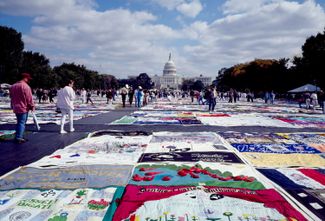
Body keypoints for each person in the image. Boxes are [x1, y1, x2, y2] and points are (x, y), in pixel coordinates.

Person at [10, 73, 35, 143]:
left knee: (19, 122)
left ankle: (18, 135)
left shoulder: (13, 86)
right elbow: (29, 98)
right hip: (23, 107)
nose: (28, 80)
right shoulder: (25, 86)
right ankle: (19, 137)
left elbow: (11, 97)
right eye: (28, 78)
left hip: (16, 107)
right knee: (22, 123)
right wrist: (32, 106)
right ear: (25, 78)